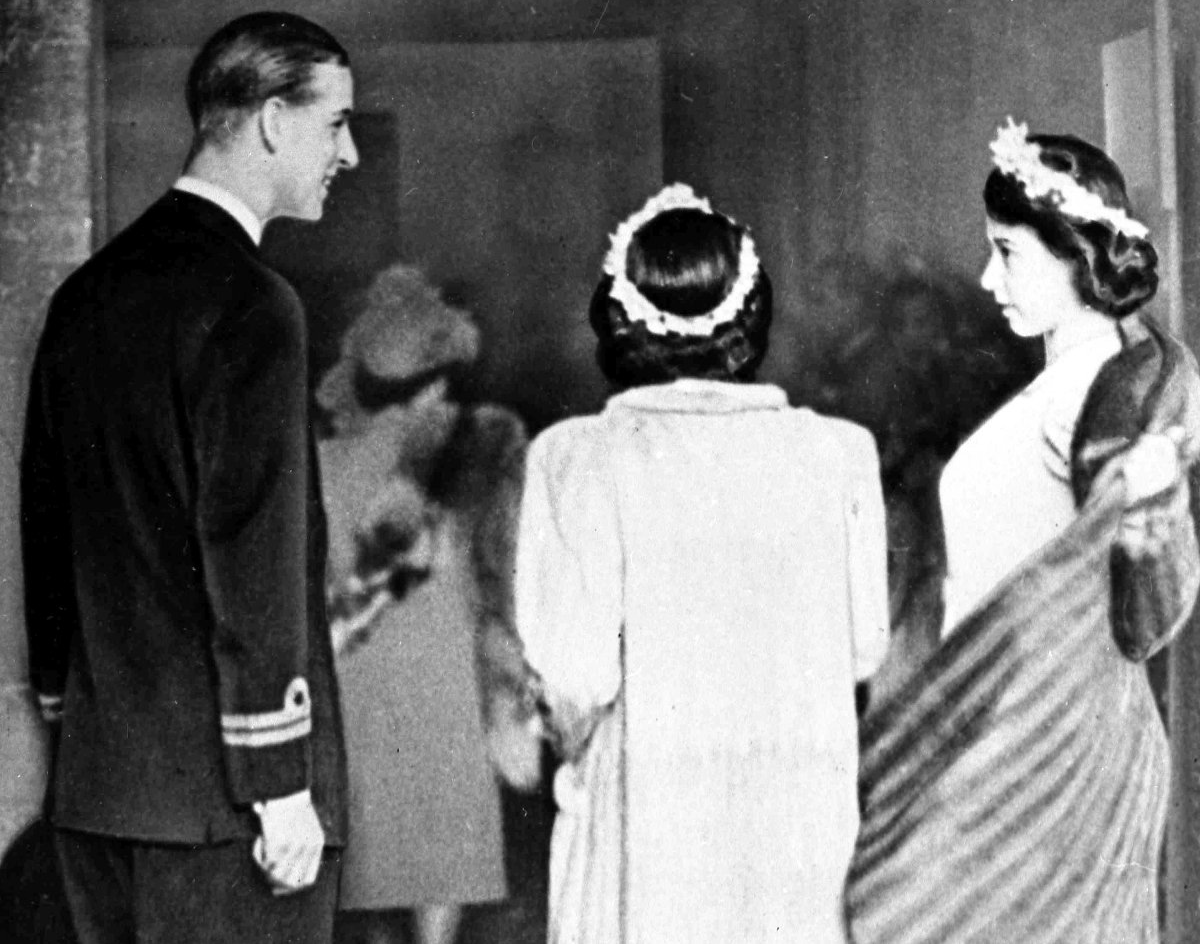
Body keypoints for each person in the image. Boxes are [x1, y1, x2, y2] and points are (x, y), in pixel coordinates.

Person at [20, 11, 359, 944]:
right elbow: (250, 551)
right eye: (336, 124)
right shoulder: (255, 304)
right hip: (228, 814)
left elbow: (44, 527)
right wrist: (280, 784)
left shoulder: (85, 295)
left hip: (99, 793)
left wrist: (66, 709)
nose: (351, 153)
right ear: (273, 121)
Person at [846, 121, 1200, 944]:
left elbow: (1145, 611)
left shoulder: (1100, 397)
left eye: (1006, 253)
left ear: (1077, 256)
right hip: (1018, 736)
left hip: (1057, 749)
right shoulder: (1077, 383)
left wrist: (1153, 506)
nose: (984, 277)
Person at [514, 183, 890, 943]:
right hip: (795, 829)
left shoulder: (576, 457)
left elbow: (576, 674)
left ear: (620, 317)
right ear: (752, 312)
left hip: (649, 829)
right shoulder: (839, 453)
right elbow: (864, 647)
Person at [316, 264, 537, 944]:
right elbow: (507, 574)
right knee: (439, 870)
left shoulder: (320, 460)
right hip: (446, 688)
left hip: (349, 691)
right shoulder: (485, 442)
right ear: (440, 377)